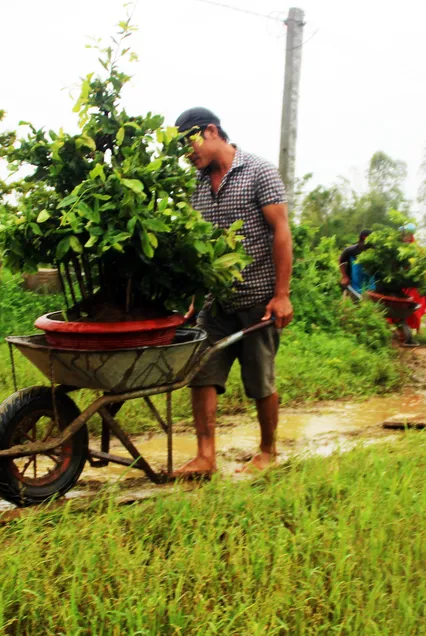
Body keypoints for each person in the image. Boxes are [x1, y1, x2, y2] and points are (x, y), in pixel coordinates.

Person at [172, 107, 294, 477]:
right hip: (217, 302)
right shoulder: (196, 186)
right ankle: (205, 457)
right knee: (202, 373)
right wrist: (195, 298)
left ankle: (268, 451)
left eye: (190, 143)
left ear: (211, 132)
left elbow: (282, 233)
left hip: (259, 300)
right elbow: (199, 247)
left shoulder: (259, 171)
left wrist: (282, 294)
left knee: (260, 379)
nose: (187, 154)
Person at [339, 230, 372, 296]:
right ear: (364, 237)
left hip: (368, 286)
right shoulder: (351, 250)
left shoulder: (374, 251)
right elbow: (341, 260)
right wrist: (344, 276)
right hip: (352, 285)